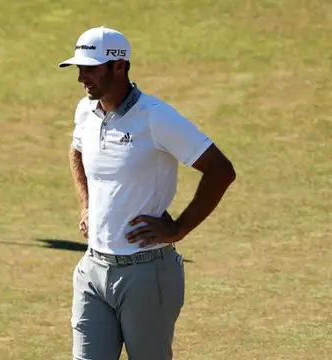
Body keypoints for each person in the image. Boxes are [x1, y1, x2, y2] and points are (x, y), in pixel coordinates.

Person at [58, 26, 237, 360]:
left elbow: (221, 170)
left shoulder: (156, 118)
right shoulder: (86, 111)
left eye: (91, 68)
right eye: (79, 68)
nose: (81, 77)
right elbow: (76, 151)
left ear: (119, 66)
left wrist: (179, 228)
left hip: (146, 274)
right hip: (92, 270)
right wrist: (86, 205)